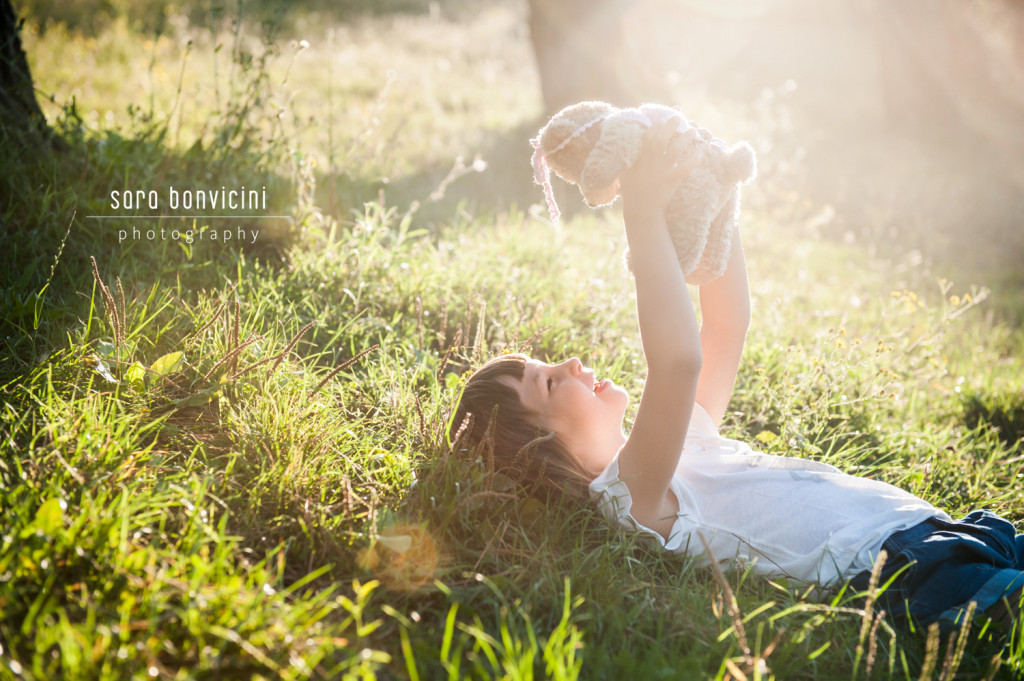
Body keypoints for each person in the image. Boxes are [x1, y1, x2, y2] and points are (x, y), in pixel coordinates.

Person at [449, 117, 1024, 632]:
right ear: (543, 448)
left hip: (945, 532)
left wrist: (717, 198)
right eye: (550, 382)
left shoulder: (684, 445)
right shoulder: (630, 497)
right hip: (906, 573)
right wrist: (642, 210)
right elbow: (677, 363)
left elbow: (726, 325)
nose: (570, 364)